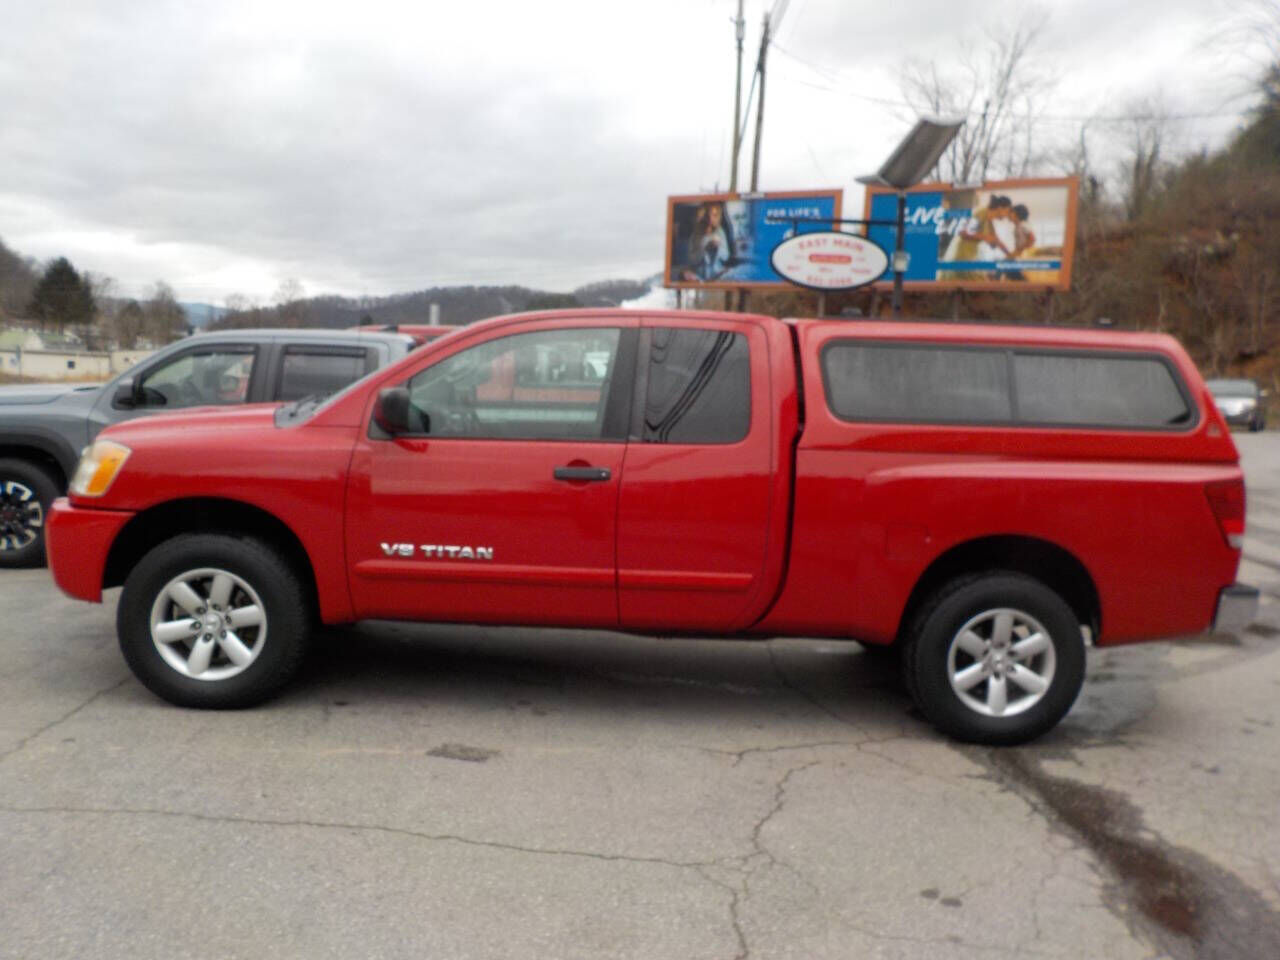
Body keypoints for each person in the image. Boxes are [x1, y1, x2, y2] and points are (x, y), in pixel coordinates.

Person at [682, 202, 731, 282]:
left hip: (717, 273)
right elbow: (692, 259)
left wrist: (718, 247)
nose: (711, 218)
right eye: (708, 215)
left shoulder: (720, 232)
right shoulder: (696, 235)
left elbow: (726, 256)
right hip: (699, 275)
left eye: (715, 215)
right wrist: (704, 249)